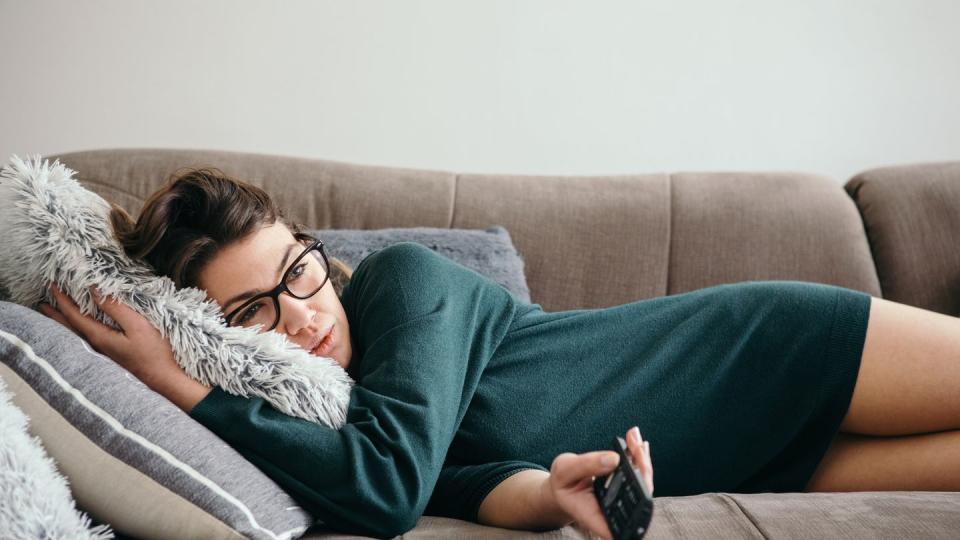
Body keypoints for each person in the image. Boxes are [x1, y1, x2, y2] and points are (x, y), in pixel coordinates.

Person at [38, 168, 960, 539]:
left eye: (299, 271)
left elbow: (390, 493)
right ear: (217, 335)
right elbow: (456, 483)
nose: (303, 315)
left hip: (771, 350)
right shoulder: (348, 422)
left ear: (318, 252)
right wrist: (550, 491)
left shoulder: (403, 284)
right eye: (253, 312)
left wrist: (176, 384)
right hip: (774, 460)